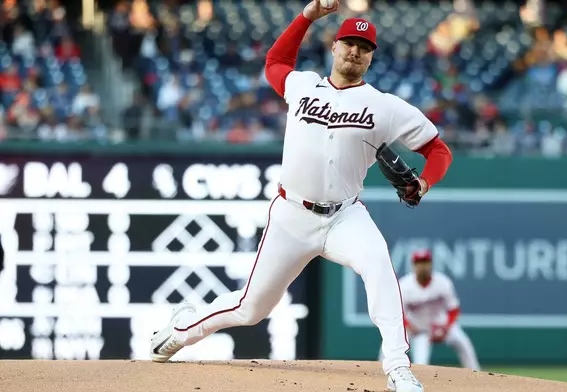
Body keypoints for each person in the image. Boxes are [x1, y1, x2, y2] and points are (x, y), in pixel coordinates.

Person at [149, 1, 453, 391]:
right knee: (250, 308)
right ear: (334, 46)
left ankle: (397, 368)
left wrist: (425, 182)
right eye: (348, 42)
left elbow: (438, 150)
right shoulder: (303, 84)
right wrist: (307, 16)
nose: (354, 51)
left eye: (363, 46)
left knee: (379, 265)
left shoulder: (386, 107)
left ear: (371, 57)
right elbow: (275, 62)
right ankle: (182, 329)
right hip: (292, 215)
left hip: (345, 216)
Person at [379, 249, 480, 370]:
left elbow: (454, 310)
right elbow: (398, 314)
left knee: (463, 343)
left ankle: (477, 374)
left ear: (431, 264)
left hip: (442, 324)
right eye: (419, 262)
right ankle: (380, 371)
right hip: (416, 329)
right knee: (415, 358)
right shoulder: (404, 285)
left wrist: (446, 327)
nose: (423, 266)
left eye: (425, 262)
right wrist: (410, 326)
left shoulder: (442, 282)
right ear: (414, 265)